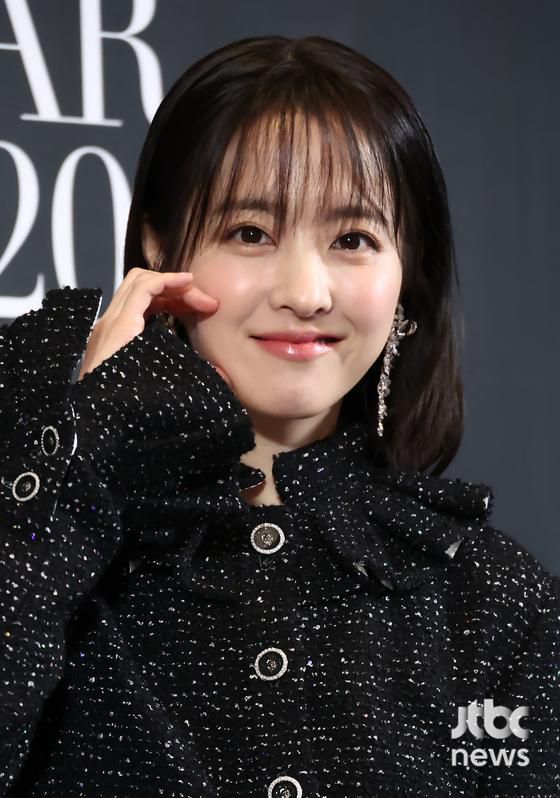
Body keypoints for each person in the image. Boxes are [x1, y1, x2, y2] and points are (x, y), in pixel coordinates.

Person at [0, 35, 558, 798]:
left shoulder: (497, 603)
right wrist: (83, 461)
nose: (305, 292)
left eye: (353, 239)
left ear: (407, 272)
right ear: (160, 248)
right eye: (250, 233)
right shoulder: (44, 537)